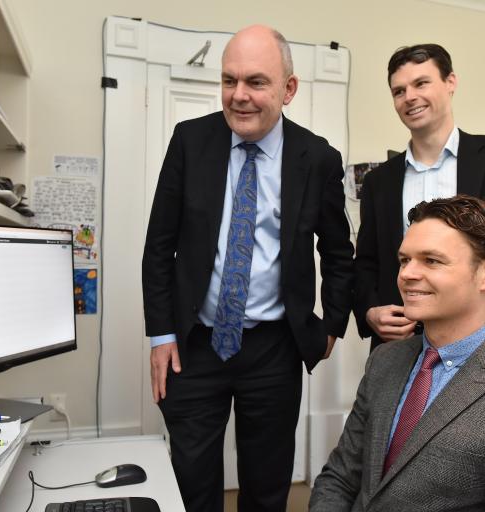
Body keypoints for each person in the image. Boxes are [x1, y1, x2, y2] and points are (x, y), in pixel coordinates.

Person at [142, 24, 354, 512]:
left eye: (256, 82)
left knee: (266, 485)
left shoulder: (317, 158)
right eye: (228, 80)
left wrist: (331, 327)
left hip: (274, 351)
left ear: (288, 89)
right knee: (191, 483)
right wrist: (161, 335)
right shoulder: (189, 141)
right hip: (192, 347)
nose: (239, 96)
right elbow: (159, 247)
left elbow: (340, 254)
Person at [310, 195, 485, 512]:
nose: (408, 274)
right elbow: (340, 478)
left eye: (432, 261)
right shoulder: (384, 361)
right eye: (404, 260)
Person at [354, 43, 485, 353]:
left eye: (421, 83)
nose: (410, 97)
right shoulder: (378, 182)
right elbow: (367, 262)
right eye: (399, 91)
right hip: (400, 350)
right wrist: (371, 310)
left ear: (451, 83)